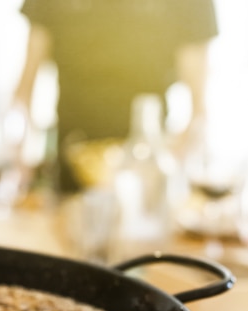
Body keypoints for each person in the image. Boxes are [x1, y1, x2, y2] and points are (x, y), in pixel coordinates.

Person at [16, 0, 218, 191]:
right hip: (72, 162)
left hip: (147, 168)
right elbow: (24, 92)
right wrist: (20, 155)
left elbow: (198, 110)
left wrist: (173, 166)